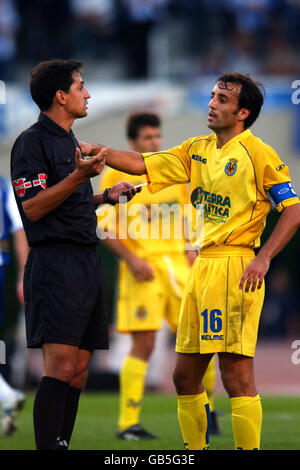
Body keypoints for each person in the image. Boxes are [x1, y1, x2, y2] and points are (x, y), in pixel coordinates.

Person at [93, 72, 300, 450]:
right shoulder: (195, 148)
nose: (212, 103)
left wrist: (263, 258)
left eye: (222, 98)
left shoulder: (259, 153)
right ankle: (195, 450)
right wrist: (100, 152)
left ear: (243, 112)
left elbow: (293, 210)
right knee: (184, 376)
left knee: (235, 374)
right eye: (212, 95)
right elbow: (141, 162)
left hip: (236, 266)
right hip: (200, 267)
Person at [10, 59, 140, 450]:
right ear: (60, 96)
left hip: (86, 261)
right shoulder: (31, 143)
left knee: (80, 371)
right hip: (55, 264)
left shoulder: (70, 140)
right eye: (81, 86)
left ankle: (61, 443)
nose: (88, 94)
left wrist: (105, 196)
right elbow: (32, 208)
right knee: (61, 366)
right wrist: (80, 177)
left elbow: (69, 202)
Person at [98, 112, 221, 439]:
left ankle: (209, 412)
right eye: (147, 139)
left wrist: (194, 256)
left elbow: (190, 218)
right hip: (143, 269)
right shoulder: (113, 176)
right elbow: (105, 227)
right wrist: (131, 259)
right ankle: (128, 423)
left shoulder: (172, 171)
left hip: (177, 269)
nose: (154, 142)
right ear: (133, 143)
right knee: (144, 342)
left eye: (156, 136)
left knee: (200, 339)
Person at [0, 175, 27, 436]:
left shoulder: (5, 187)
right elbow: (19, 230)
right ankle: (6, 393)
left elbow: (19, 230)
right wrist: (22, 274)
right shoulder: (3, 186)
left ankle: (7, 394)